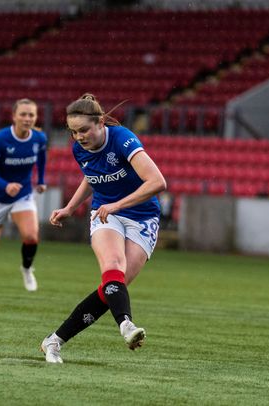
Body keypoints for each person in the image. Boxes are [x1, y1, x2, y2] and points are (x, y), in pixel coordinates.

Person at [40, 94, 166, 363]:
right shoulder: (79, 148)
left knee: (113, 287)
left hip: (142, 218)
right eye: (73, 132)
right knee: (113, 266)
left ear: (100, 123)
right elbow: (91, 178)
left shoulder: (122, 139)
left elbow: (157, 182)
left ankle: (54, 340)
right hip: (106, 213)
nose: (79, 137)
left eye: (84, 130)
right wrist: (70, 208)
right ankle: (127, 326)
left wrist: (118, 204)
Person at [0, 98, 47, 299]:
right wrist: (6, 185)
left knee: (31, 236)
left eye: (31, 114)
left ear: (36, 117)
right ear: (14, 116)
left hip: (22, 195)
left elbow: (41, 157)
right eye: (23, 114)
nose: (27, 118)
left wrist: (40, 180)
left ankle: (26, 268)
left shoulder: (39, 138)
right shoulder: (0, 139)